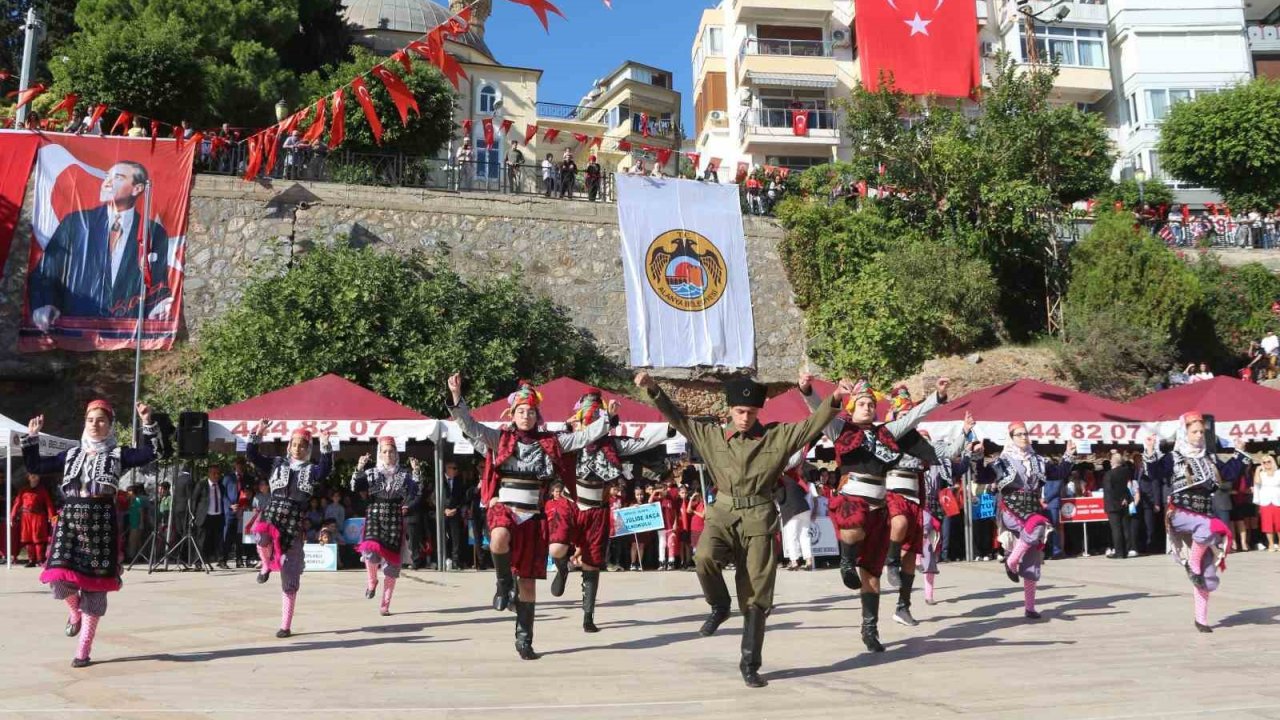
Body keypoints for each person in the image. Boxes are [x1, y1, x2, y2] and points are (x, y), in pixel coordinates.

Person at [637, 369, 848, 688]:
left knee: (756, 595)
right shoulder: (711, 436)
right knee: (703, 557)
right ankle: (719, 605)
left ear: (758, 411)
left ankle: (750, 662)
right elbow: (677, 418)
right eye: (739, 411)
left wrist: (834, 398)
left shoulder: (776, 438)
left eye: (750, 412)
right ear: (729, 410)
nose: (744, 417)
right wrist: (653, 389)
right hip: (721, 512)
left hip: (759, 517)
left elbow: (810, 426)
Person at [447, 374, 608, 660]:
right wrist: (457, 396)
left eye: (531, 411)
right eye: (521, 411)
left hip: (533, 516)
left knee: (529, 584)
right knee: (498, 537)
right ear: (513, 413)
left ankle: (524, 640)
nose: (526, 416)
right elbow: (470, 426)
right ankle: (501, 584)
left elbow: (582, 436)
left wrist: (606, 419)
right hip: (505, 507)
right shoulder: (501, 439)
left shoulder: (550, 443)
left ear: (537, 415)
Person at [804, 375, 949, 645]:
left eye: (871, 403)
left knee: (871, 573)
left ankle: (870, 629)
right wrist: (809, 390)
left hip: (879, 505)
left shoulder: (887, 433)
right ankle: (846, 560)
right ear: (852, 407)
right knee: (853, 524)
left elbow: (914, 417)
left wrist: (936, 398)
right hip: (852, 497)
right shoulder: (840, 429)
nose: (868, 407)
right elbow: (818, 411)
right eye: (862, 403)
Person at [22, 400, 161, 668]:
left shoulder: (118, 454)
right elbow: (36, 466)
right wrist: (32, 437)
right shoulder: (71, 454)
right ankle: (74, 613)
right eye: (90, 420)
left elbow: (151, 453)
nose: (95, 425)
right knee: (58, 580)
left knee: (95, 589)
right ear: (84, 422)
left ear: (109, 425)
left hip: (101, 525)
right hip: (71, 523)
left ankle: (83, 647)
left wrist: (146, 422)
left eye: (100, 420)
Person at [551, 390, 669, 631]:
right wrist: (567, 425)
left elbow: (643, 441)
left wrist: (672, 427)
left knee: (592, 563)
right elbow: (548, 441)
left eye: (596, 416)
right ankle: (562, 568)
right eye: (587, 415)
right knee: (557, 547)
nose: (591, 421)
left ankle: (588, 616)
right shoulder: (569, 440)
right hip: (571, 503)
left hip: (596, 509)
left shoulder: (611, 446)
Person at [27, 161, 172, 330]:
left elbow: (157, 284)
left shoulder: (154, 232)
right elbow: (46, 271)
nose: (107, 183)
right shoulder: (76, 223)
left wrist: (158, 307)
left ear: (137, 189)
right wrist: (45, 304)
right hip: (73, 330)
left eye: (117, 177)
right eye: (106, 177)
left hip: (126, 333)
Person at [1145, 414, 1251, 632]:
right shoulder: (1173, 457)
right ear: (1185, 433)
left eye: (1202, 432)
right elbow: (1154, 473)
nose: (1199, 435)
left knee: (1208, 577)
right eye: (1195, 432)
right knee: (1208, 528)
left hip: (1203, 513)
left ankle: (1201, 619)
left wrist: (1239, 452)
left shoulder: (1208, 458)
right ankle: (1192, 564)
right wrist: (1149, 451)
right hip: (1180, 513)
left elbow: (1228, 473)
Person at [975, 425, 1075, 619]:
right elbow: (983, 476)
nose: (1024, 437)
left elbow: (1058, 473)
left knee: (1032, 556)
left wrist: (1069, 455)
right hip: (1011, 508)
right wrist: (979, 458)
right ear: (1011, 437)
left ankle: (1030, 607)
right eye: (1019, 434)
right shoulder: (1002, 461)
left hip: (1032, 507)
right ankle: (1012, 561)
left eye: (1026, 434)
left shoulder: (1037, 460)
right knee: (1038, 526)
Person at [244, 421, 334, 638]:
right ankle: (265, 565)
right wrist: (256, 435)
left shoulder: (312, 470)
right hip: (273, 513)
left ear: (308, 449)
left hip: (294, 520)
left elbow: (326, 469)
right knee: (261, 534)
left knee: (289, 575)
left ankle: (285, 625)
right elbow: (252, 456)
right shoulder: (277, 463)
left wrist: (325, 445)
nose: (297, 448)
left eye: (302, 445)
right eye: (294, 444)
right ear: (288, 446)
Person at [350, 437, 421, 615]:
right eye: (384, 451)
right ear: (379, 454)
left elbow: (415, 492)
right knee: (370, 551)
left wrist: (417, 472)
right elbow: (355, 487)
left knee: (391, 565)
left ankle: (385, 604)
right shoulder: (372, 472)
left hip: (394, 518)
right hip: (375, 513)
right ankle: (372, 581)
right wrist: (359, 468)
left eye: (391, 451)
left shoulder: (404, 474)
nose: (388, 454)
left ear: (396, 454)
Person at [916, 417, 978, 606]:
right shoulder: (910, 461)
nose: (925, 443)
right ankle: (916, 554)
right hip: (917, 505)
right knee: (924, 528)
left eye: (927, 439)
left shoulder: (942, 462)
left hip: (935, 505)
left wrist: (967, 453)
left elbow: (960, 468)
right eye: (921, 440)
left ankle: (929, 593)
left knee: (931, 551)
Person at [777, 459, 816, 572]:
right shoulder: (797, 479)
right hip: (804, 508)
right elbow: (805, 492)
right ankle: (808, 561)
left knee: (791, 536)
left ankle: (794, 562)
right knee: (804, 536)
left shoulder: (781, 481)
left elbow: (781, 497)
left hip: (791, 511)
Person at [10, 473, 55, 567]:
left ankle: (40, 560)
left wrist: (51, 516)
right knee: (28, 539)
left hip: (38, 517)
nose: (34, 477)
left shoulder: (42, 490)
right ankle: (31, 560)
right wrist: (12, 516)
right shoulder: (23, 490)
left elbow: (48, 504)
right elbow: (17, 503)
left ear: (39, 477)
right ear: (28, 477)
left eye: (36, 475)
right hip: (26, 517)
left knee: (38, 539)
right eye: (32, 475)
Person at [192, 464, 229, 569]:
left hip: (218, 516)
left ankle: (221, 560)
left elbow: (223, 500)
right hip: (205, 516)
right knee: (201, 540)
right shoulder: (202, 485)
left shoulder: (221, 486)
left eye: (218, 473)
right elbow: (194, 500)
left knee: (219, 540)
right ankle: (198, 562)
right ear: (209, 474)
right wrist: (193, 515)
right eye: (214, 473)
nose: (216, 475)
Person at [1103, 450, 1135, 560]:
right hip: (1124, 502)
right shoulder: (1126, 471)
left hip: (1113, 504)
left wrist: (1118, 500)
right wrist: (1125, 498)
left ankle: (1119, 552)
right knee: (1125, 527)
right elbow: (1125, 487)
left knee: (1116, 529)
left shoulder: (1109, 474)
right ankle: (1126, 550)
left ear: (1113, 461)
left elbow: (1109, 490)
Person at [441, 460, 468, 570]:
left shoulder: (459, 481)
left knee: (456, 538)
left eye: (457, 468)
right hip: (442, 513)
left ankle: (455, 561)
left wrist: (456, 509)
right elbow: (433, 497)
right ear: (447, 469)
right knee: (443, 537)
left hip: (455, 513)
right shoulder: (439, 479)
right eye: (454, 468)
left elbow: (462, 498)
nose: (456, 471)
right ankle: (444, 559)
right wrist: (444, 509)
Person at [1255, 453, 1280, 551]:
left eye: (1268, 461)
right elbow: (1257, 482)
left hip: (1277, 500)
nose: (1266, 464)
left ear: (1272, 462)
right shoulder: (1261, 474)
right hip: (1265, 501)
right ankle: (1271, 544)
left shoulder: (1278, 473)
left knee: (1279, 524)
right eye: (1264, 462)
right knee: (1267, 524)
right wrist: (1257, 470)